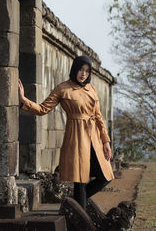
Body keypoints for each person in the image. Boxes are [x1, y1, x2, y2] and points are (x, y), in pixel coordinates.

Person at [18, 55, 114, 210]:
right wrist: (23, 100)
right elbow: (43, 109)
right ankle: (79, 214)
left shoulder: (92, 88)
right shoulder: (63, 89)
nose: (83, 74)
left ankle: (72, 203)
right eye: (81, 69)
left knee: (105, 176)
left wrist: (106, 141)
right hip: (76, 137)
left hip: (94, 138)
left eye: (87, 71)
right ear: (74, 69)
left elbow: (98, 117)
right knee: (80, 180)